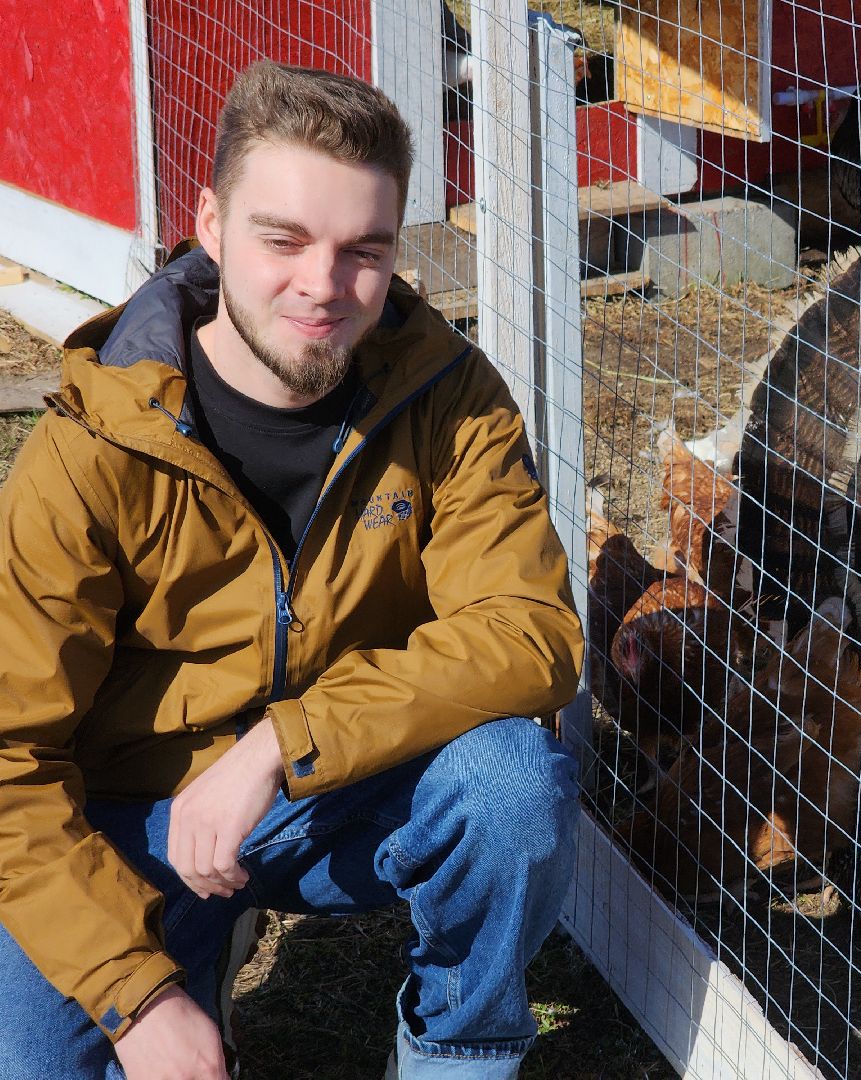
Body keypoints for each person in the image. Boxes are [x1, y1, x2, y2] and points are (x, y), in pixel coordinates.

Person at [0, 60, 584, 1079]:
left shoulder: (448, 396)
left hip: (342, 786)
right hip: (131, 818)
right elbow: (7, 760)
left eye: (365, 250)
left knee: (509, 788)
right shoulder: (93, 445)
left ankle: (458, 1050)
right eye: (283, 240)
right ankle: (174, 946)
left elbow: (531, 630)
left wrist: (283, 740)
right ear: (213, 224)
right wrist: (135, 1003)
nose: (324, 286)